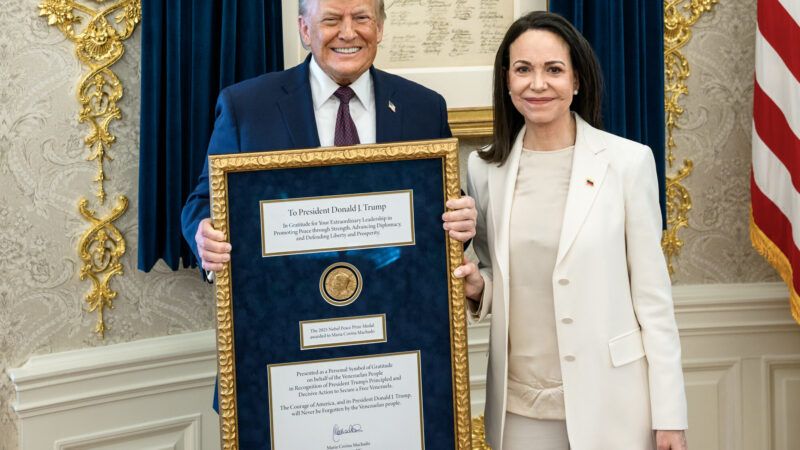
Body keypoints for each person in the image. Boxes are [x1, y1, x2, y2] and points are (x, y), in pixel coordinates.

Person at [453, 11, 688, 450]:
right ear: (506, 80)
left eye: (553, 70)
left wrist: (670, 417)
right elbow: (494, 273)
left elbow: (653, 300)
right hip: (519, 408)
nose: (537, 84)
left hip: (613, 403)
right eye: (523, 69)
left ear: (577, 80)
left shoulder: (627, 163)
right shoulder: (484, 169)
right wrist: (476, 287)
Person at [181, 0, 478, 267]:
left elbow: (441, 208)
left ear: (380, 28)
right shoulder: (246, 108)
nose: (348, 33)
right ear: (305, 29)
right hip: (285, 308)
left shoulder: (424, 108)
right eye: (332, 20)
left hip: (394, 305)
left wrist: (461, 222)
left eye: (362, 18)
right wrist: (205, 235)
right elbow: (205, 201)